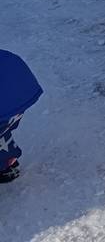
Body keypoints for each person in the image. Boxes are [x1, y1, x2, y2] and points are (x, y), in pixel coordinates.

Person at [0, 49, 43, 183]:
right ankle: (6, 164)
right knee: (2, 131)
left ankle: (5, 163)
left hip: (9, 95)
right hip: (18, 87)